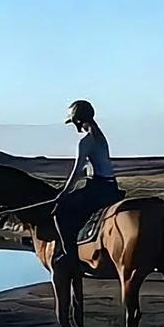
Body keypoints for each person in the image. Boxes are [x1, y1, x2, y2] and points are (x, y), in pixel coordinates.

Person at [52, 99, 125, 257]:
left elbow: (77, 171)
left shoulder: (85, 141)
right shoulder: (99, 135)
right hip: (111, 186)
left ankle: (69, 255)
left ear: (77, 120)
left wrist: (64, 193)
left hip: (98, 189)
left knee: (61, 211)